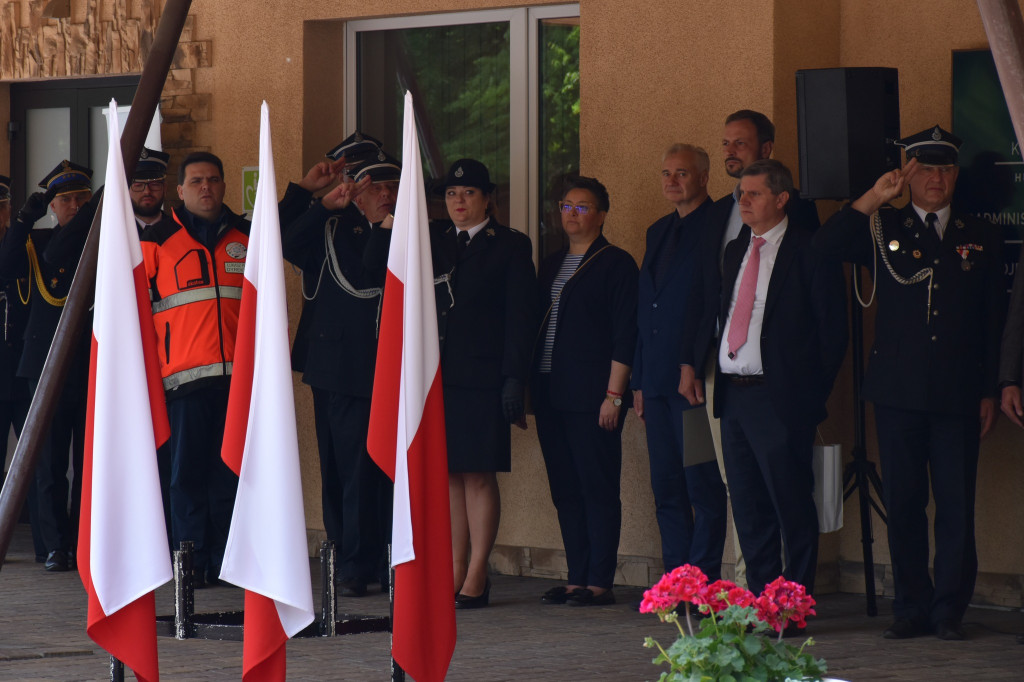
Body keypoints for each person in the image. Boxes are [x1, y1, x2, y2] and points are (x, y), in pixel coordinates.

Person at [815, 126, 1005, 641]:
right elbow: (825, 247)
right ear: (908, 175)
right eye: (925, 169)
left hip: (959, 392)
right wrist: (877, 195)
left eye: (944, 169)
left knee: (955, 505)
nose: (936, 179)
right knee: (902, 503)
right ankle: (911, 607)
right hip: (897, 391)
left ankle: (949, 610)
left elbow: (993, 319)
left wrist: (989, 388)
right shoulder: (884, 226)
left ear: (956, 174)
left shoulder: (978, 233)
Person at [367, 158, 536, 609]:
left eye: (468, 194)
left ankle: (478, 571)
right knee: (447, 477)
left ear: (488, 199)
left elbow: (520, 319)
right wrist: (387, 226)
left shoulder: (511, 246)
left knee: (478, 475)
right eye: (451, 195)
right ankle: (455, 567)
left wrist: (514, 380)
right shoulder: (435, 240)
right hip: (438, 374)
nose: (459, 202)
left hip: (484, 377)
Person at [683, 159, 846, 598]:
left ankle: (791, 605)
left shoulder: (809, 250)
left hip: (780, 399)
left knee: (790, 506)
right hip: (733, 398)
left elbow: (833, 335)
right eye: (740, 194)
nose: (743, 201)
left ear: (781, 198)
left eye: (753, 193)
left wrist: (808, 398)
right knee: (749, 509)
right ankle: (759, 602)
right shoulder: (737, 247)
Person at [281, 142, 395, 597]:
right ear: (354, 189)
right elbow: (276, 239)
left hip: (386, 365)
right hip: (337, 368)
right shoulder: (329, 228)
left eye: (392, 185)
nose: (386, 193)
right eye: (375, 185)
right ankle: (350, 560)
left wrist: (383, 227)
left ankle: (383, 555)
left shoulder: (405, 231)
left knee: (381, 468)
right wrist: (311, 195)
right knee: (344, 469)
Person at [140, 151, 250, 587]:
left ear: (224, 186)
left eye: (214, 179)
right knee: (186, 476)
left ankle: (227, 562)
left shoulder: (247, 235)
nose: (207, 187)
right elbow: (139, 317)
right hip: (183, 382)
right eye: (197, 181)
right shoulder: (157, 240)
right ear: (180, 190)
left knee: (231, 475)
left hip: (238, 383)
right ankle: (191, 563)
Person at [534, 176, 638, 607]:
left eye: (582, 206)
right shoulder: (552, 263)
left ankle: (600, 580)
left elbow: (625, 334)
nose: (572, 214)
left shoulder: (615, 263)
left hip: (593, 396)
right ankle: (577, 575)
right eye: (566, 205)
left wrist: (615, 395)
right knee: (565, 488)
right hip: (550, 392)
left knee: (596, 485)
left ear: (601, 214)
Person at [631, 144, 727, 579]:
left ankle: (702, 582)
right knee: (666, 486)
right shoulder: (658, 231)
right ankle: (676, 583)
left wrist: (693, 361)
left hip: (692, 384)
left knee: (701, 485)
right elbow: (645, 307)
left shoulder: (720, 226)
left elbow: (709, 303)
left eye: (682, 173)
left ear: (704, 177)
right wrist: (637, 378)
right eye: (666, 173)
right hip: (654, 382)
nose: (672, 181)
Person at [0, 160, 94, 571]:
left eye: (82, 199)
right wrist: (23, 220)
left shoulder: (107, 242)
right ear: (53, 207)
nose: (74, 206)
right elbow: (5, 269)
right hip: (46, 364)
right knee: (50, 461)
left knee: (90, 460)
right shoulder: (37, 243)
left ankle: (83, 542)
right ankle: (55, 546)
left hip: (91, 360)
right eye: (66, 200)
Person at [0, 174, 36, 559]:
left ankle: (49, 546)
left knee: (34, 462)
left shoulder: (26, 245)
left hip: (21, 367)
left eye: (1, 208)